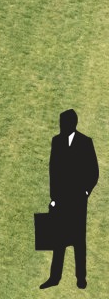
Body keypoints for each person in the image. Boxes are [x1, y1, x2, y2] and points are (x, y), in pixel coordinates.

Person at [47, 109, 99, 289]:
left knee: (78, 240)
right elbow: (53, 171)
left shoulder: (85, 143)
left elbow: (94, 171)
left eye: (64, 123)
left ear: (72, 124)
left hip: (77, 201)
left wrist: (85, 192)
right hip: (61, 200)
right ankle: (54, 277)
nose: (61, 126)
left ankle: (81, 278)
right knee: (58, 240)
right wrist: (53, 198)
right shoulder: (57, 141)